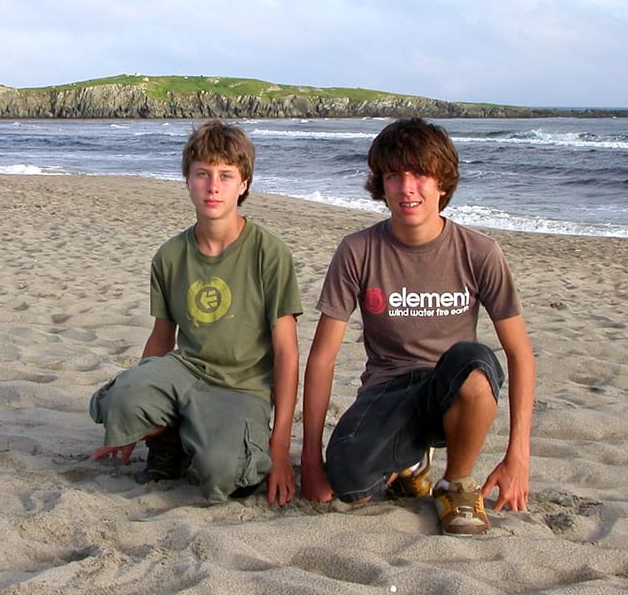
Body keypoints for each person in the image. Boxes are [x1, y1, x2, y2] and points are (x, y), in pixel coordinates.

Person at [300, 118, 535, 535]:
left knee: (473, 360)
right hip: (387, 389)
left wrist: (518, 455)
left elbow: (519, 354)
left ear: (442, 183)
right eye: (394, 176)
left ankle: (457, 482)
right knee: (350, 480)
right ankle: (410, 462)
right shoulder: (358, 250)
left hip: (454, 389)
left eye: (421, 174)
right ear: (381, 184)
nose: (407, 188)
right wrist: (312, 460)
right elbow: (322, 358)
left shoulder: (480, 252)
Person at [89, 119, 303, 506]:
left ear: (244, 184)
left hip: (242, 386)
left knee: (227, 474)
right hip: (186, 371)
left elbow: (287, 351)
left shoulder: (269, 253)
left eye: (225, 175)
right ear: (187, 180)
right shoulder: (170, 256)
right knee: (122, 401)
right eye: (202, 174)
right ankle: (167, 441)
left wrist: (281, 446)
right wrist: (133, 425)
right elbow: (160, 337)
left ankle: (206, 438)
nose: (213, 186)